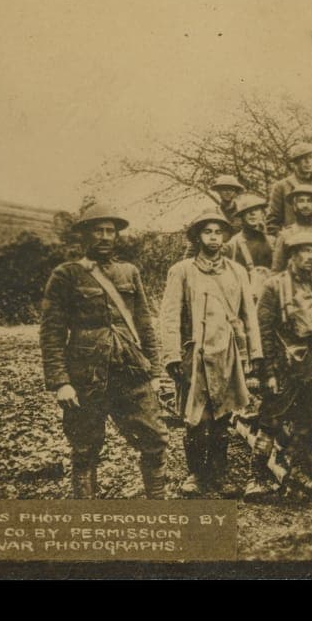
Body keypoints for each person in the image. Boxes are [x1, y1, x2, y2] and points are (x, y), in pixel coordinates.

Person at [39, 202, 170, 499]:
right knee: (85, 448)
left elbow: (145, 325)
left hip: (131, 372)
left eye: (110, 231)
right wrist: (61, 382)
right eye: (98, 230)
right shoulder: (66, 275)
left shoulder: (129, 272)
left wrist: (155, 372)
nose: (105, 237)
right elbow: (52, 332)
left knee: (155, 440)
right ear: (85, 235)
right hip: (86, 375)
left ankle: (160, 509)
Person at [160, 211, 264, 496]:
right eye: (208, 232)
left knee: (223, 417)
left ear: (225, 237)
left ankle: (220, 475)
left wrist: (254, 355)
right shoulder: (182, 270)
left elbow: (249, 316)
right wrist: (171, 356)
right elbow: (169, 316)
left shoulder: (236, 271)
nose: (214, 238)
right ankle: (195, 474)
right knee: (196, 418)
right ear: (198, 237)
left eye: (218, 232)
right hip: (195, 355)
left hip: (227, 353)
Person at [248, 230, 312, 498]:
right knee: (270, 420)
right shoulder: (274, 286)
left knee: (308, 420)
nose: (310, 258)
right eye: (305, 252)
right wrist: (267, 373)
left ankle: (299, 472)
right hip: (281, 363)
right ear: (292, 255)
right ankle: (257, 478)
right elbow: (263, 332)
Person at [271, 184, 312, 273]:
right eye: (301, 201)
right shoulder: (285, 235)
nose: (305, 205)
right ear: (294, 205)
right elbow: (276, 270)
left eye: (309, 201)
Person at [223, 193, 275, 302]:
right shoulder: (232, 245)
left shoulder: (272, 242)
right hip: (244, 300)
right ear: (241, 216)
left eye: (256, 209)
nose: (252, 213)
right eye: (248, 211)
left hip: (271, 300)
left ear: (262, 214)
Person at [266, 142, 312, 237]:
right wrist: (283, 238)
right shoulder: (282, 186)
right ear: (295, 162)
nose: (308, 162)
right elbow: (272, 220)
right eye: (303, 158)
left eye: (311, 157)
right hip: (293, 239)